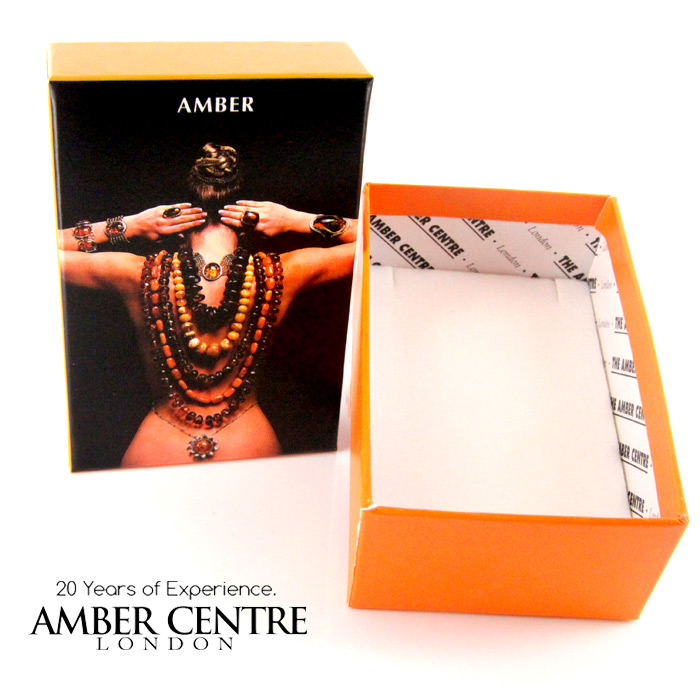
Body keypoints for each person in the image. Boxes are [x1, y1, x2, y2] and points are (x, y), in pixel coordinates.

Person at [58, 143, 357, 467]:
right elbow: (383, 240)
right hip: (247, 441)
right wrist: (298, 220)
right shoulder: (281, 273)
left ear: (176, 211)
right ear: (254, 212)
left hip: (160, 443)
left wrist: (131, 225)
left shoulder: (138, 274)